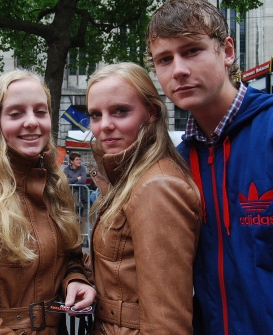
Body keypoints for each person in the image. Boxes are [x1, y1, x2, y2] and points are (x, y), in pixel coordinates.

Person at [145, 0, 273, 334]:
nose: (179, 70)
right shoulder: (178, 161)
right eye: (165, 59)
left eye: (192, 51)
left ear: (226, 51)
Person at [0, 69, 96, 334]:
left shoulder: (54, 184)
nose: (31, 122)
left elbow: (70, 257)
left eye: (40, 111)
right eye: (15, 114)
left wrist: (75, 279)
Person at [86, 62, 202, 334]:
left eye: (120, 111)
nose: (105, 125)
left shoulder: (157, 186)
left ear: (151, 112)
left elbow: (167, 321)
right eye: (95, 114)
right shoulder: (129, 176)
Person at [63, 152, 88, 216]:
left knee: (81, 208)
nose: (79, 161)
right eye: (77, 160)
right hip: (70, 193)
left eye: (80, 159)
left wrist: (71, 180)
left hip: (80, 193)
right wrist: (77, 178)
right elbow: (65, 181)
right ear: (71, 161)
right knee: (74, 208)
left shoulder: (82, 169)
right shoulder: (66, 169)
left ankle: (79, 222)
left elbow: (83, 180)